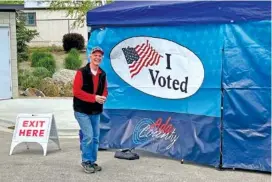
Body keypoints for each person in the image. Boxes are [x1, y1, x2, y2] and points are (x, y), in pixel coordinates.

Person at [73, 46, 108, 174]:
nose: (97, 57)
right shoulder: (81, 72)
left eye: (100, 56)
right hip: (82, 111)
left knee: (95, 138)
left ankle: (92, 162)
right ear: (90, 56)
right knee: (88, 136)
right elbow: (77, 92)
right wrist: (94, 98)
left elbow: (105, 89)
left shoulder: (102, 74)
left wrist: (103, 97)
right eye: (95, 55)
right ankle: (86, 161)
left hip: (95, 111)